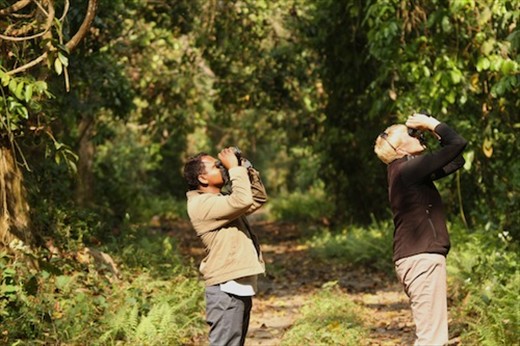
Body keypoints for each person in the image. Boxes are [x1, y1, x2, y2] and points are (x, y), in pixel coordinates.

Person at [374, 113, 467, 345]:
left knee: (433, 337)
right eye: (411, 133)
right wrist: (430, 122)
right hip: (421, 259)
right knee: (432, 340)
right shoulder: (407, 170)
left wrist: (434, 134)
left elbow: (457, 160)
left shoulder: (405, 171)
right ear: (398, 147)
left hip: (418, 258)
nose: (417, 135)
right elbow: (457, 143)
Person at [183, 147, 267, 346]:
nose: (222, 168)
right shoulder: (200, 205)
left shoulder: (220, 201)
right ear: (203, 179)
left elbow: (256, 198)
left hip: (236, 285)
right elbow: (242, 199)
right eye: (216, 166)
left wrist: (245, 168)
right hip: (225, 289)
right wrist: (234, 170)